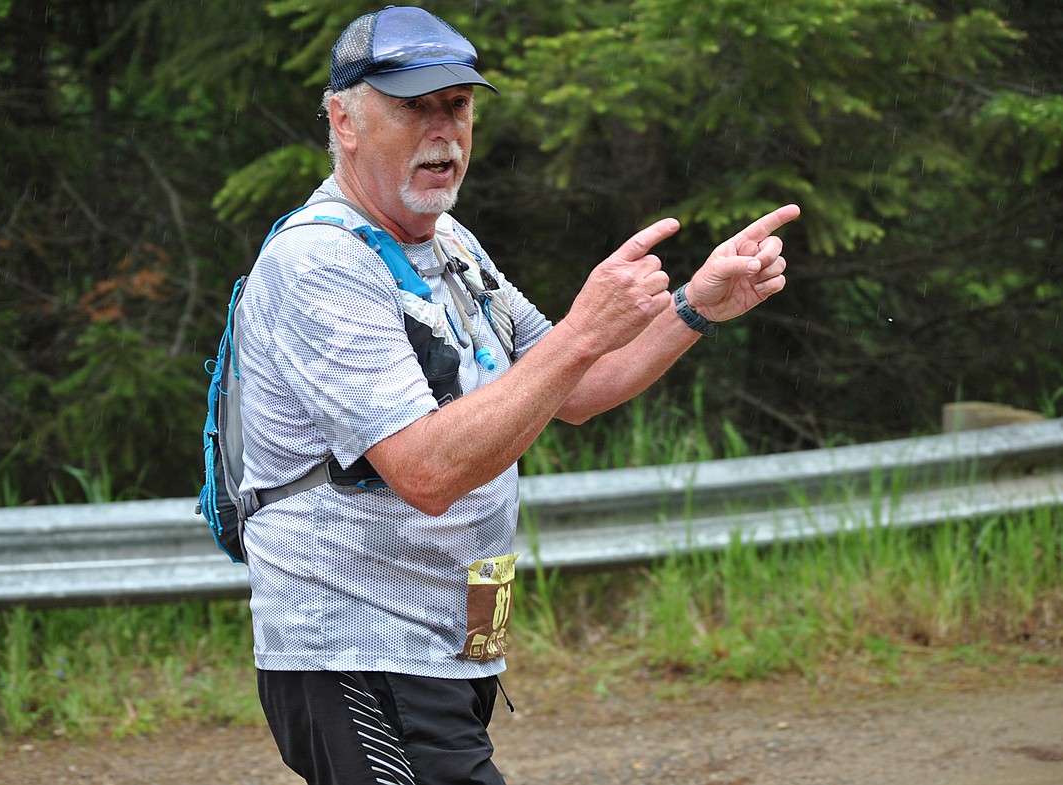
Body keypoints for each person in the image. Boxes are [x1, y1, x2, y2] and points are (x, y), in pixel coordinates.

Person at [236, 6, 800, 784]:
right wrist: (581, 329)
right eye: (414, 107)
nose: (445, 131)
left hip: (445, 647)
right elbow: (426, 471)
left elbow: (577, 387)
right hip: (359, 649)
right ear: (345, 120)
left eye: (458, 106)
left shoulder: (452, 246)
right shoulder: (321, 263)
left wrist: (696, 306)